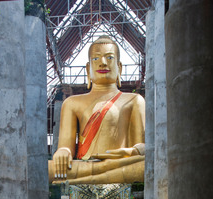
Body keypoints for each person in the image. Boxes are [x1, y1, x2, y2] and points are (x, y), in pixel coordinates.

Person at [49, 35, 145, 185]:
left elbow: (142, 148)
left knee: (145, 166)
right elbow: (66, 146)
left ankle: (93, 176)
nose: (103, 63)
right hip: (86, 165)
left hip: (120, 164)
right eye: (96, 59)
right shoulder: (72, 103)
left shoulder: (134, 100)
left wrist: (133, 151)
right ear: (88, 69)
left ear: (119, 67)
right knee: (49, 168)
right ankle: (100, 173)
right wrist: (63, 152)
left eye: (110, 58)